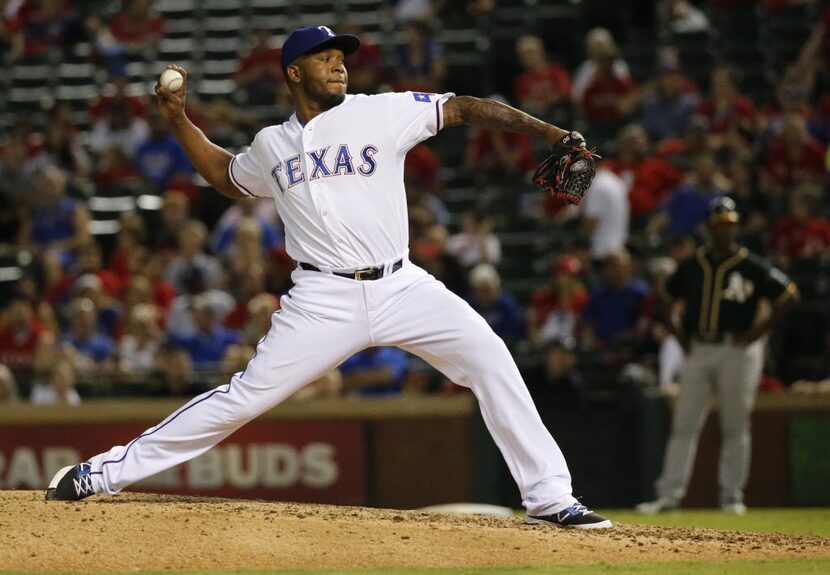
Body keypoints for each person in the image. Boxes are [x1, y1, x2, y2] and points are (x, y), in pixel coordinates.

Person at [46, 25, 611, 529]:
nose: (340, 62)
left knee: (490, 359)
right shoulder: (271, 144)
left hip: (401, 284)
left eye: (342, 55)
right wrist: (177, 120)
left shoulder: (379, 111)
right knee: (244, 398)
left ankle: (551, 498)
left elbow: (463, 107)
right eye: (325, 56)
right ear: (294, 71)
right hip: (322, 298)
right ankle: (103, 473)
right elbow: (225, 176)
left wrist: (550, 133)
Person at [637, 197, 798, 515]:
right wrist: (680, 335)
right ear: (709, 228)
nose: (725, 230)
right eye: (720, 224)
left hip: (737, 349)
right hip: (699, 346)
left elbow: (789, 296)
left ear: (736, 227)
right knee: (684, 424)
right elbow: (665, 299)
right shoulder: (692, 265)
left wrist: (758, 331)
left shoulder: (752, 265)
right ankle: (669, 495)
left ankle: (731, 496)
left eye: (730, 224)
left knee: (735, 424)